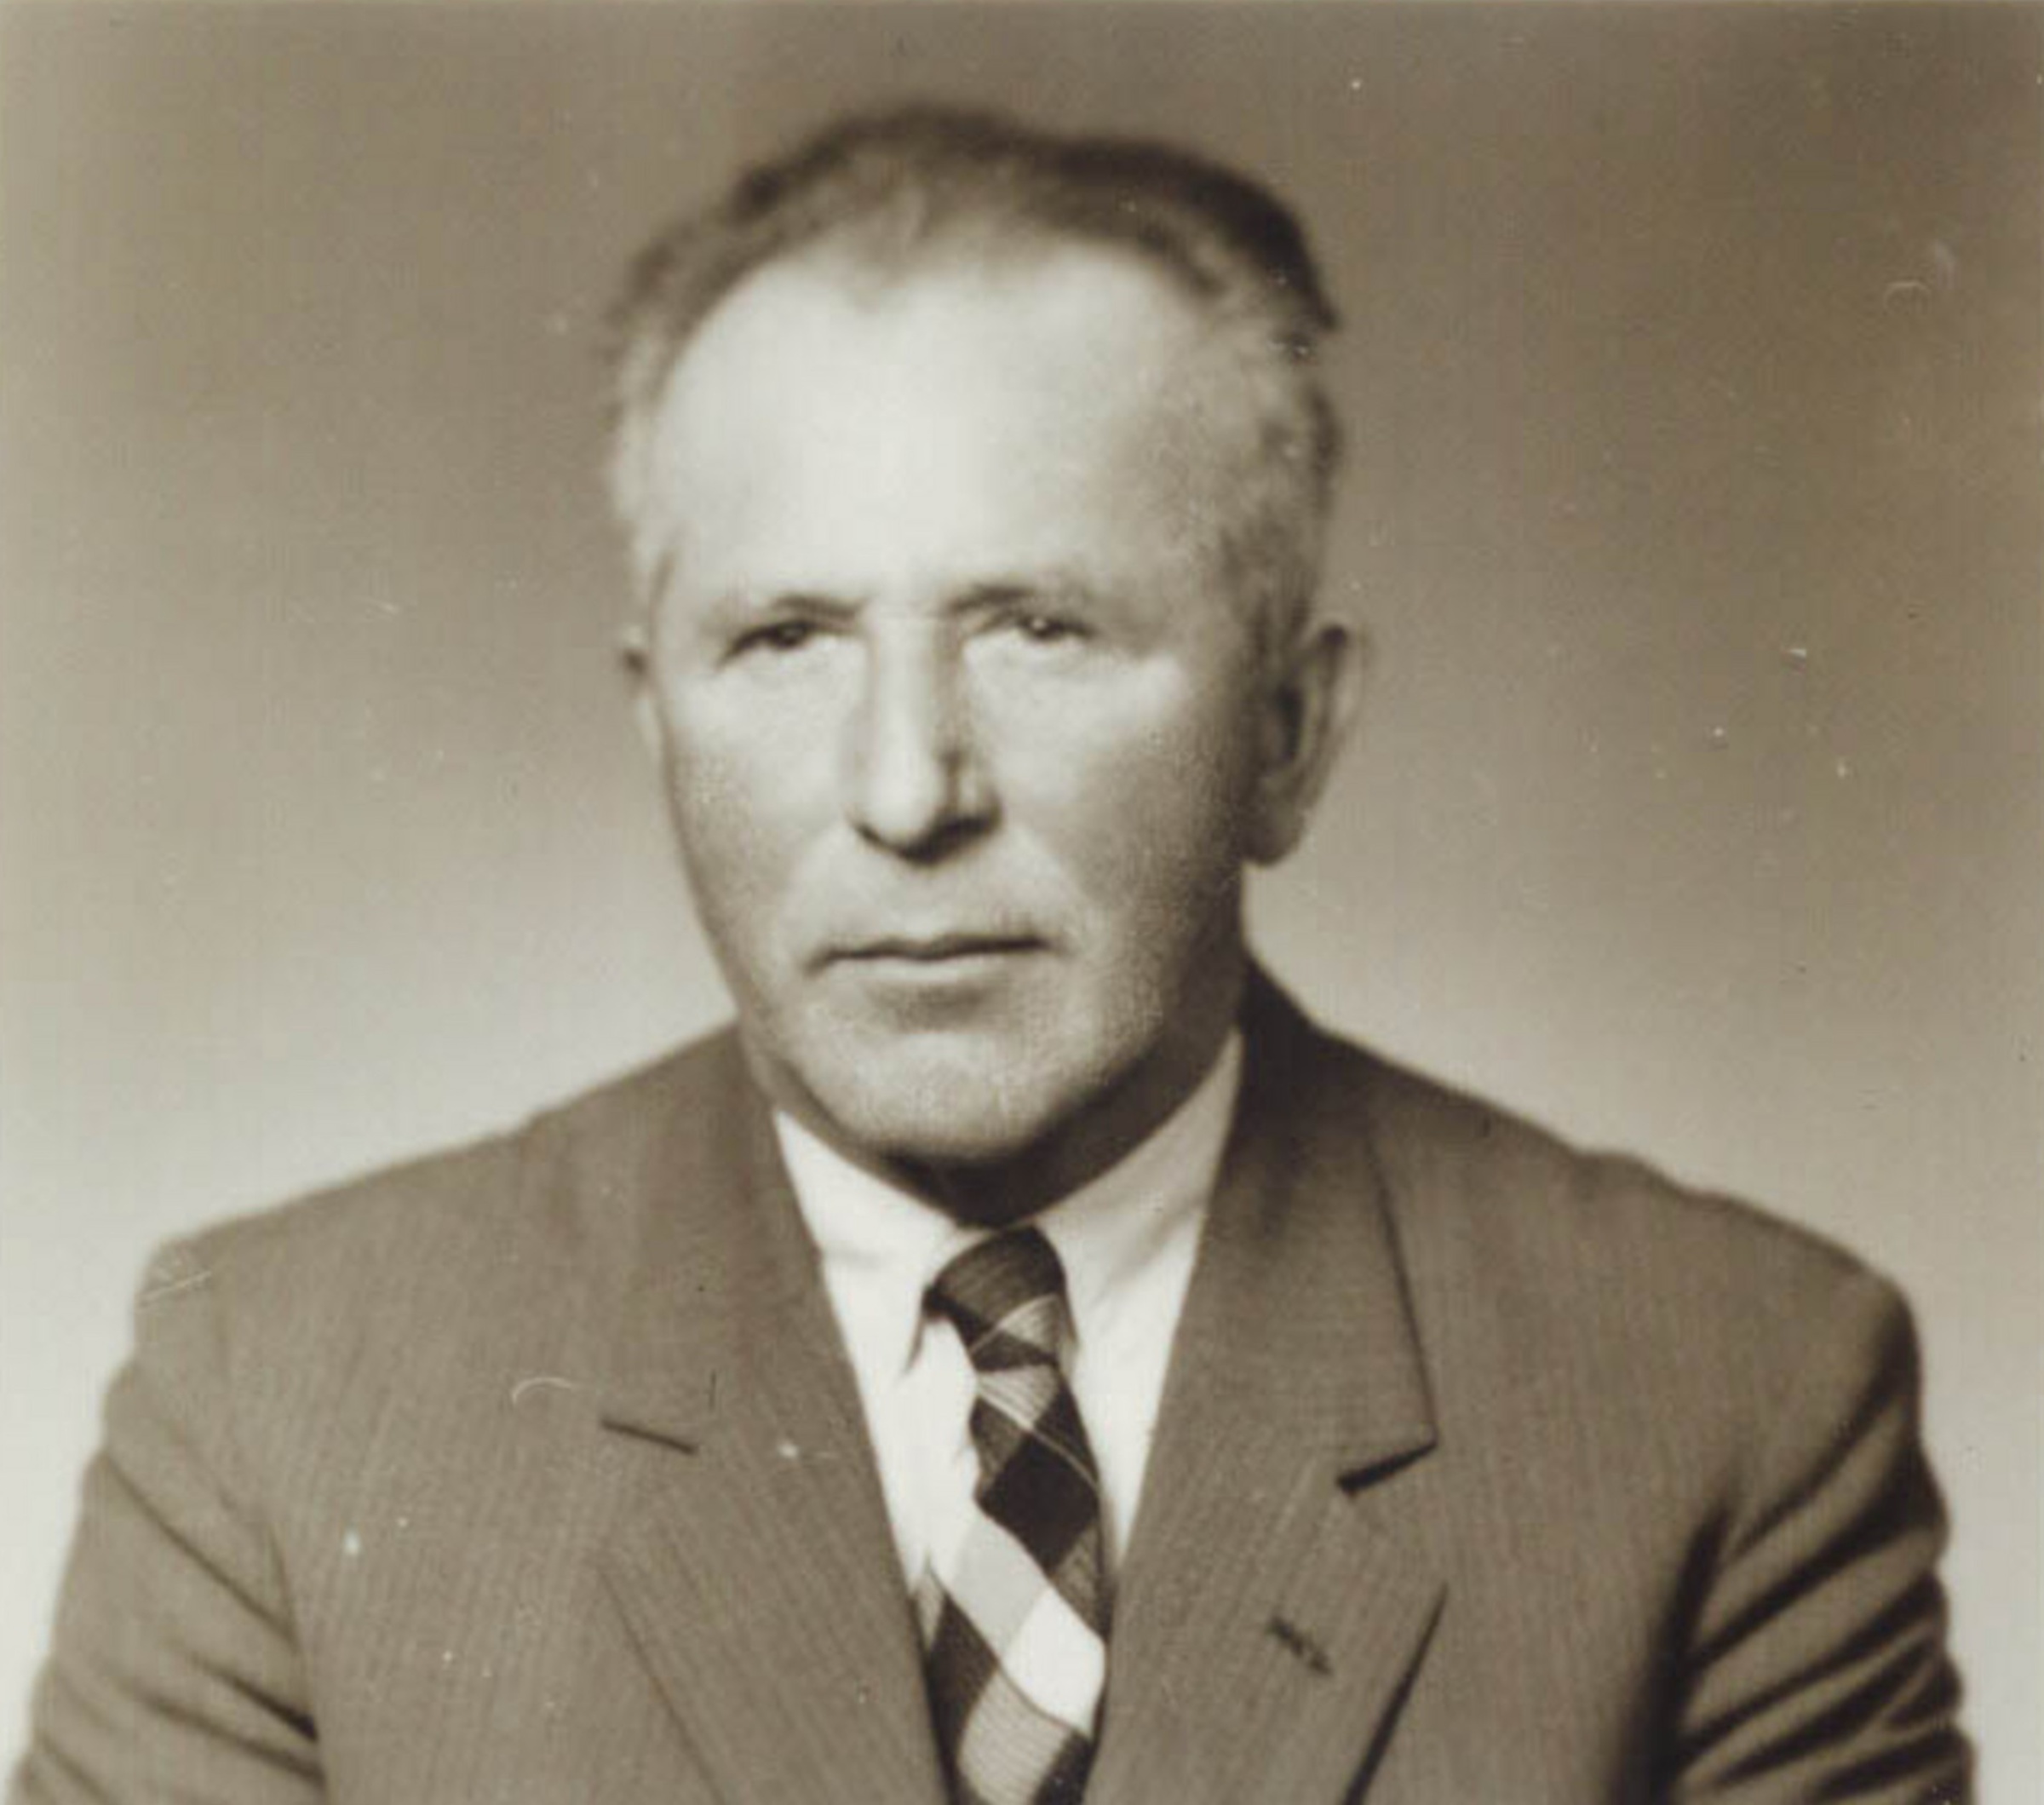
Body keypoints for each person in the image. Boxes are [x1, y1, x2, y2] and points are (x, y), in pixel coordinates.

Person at [11, 106, 1969, 1805]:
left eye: (1038, 628)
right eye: (787, 640)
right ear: (657, 728)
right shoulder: (280, 1402)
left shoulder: (1729, 1402)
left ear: (1289, 731)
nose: (905, 787)